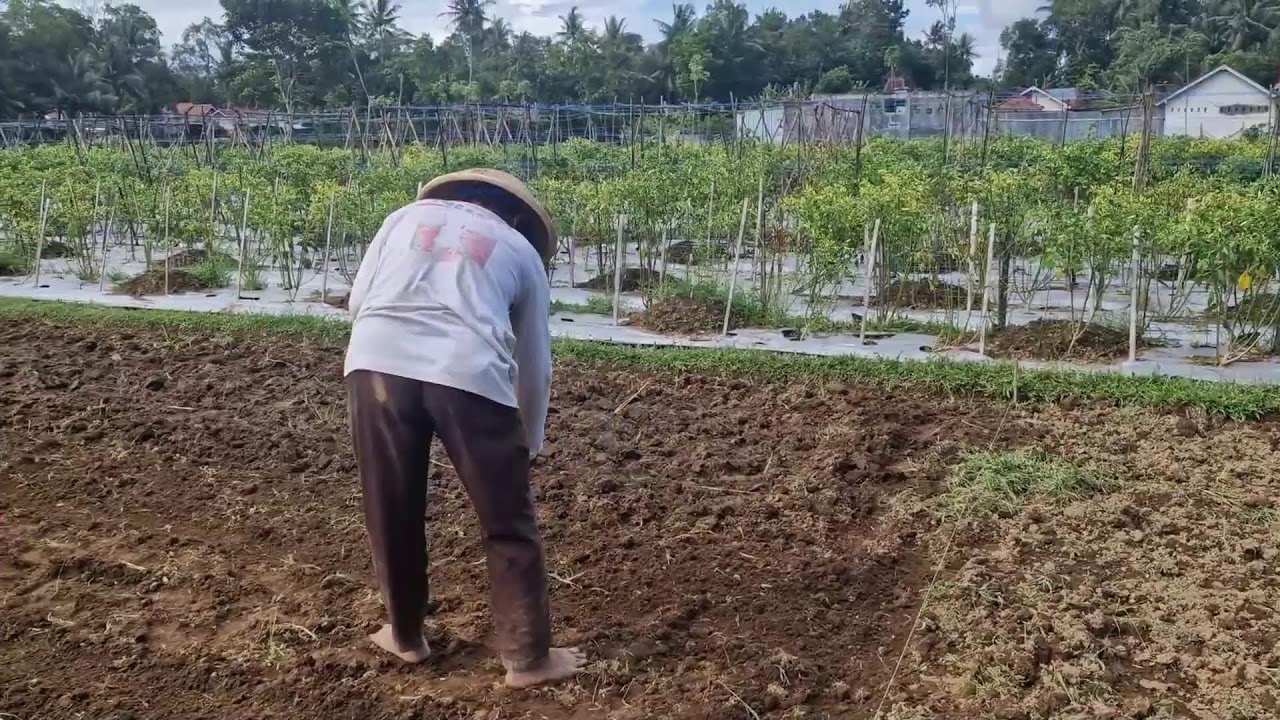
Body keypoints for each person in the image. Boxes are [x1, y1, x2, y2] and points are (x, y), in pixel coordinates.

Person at [342, 169, 586, 688]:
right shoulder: (519, 249)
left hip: (376, 365)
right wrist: (530, 441)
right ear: (517, 216)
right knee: (506, 522)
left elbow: (357, 303)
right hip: (468, 374)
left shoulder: (400, 220)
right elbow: (534, 362)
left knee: (393, 508)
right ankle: (528, 660)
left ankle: (405, 636)